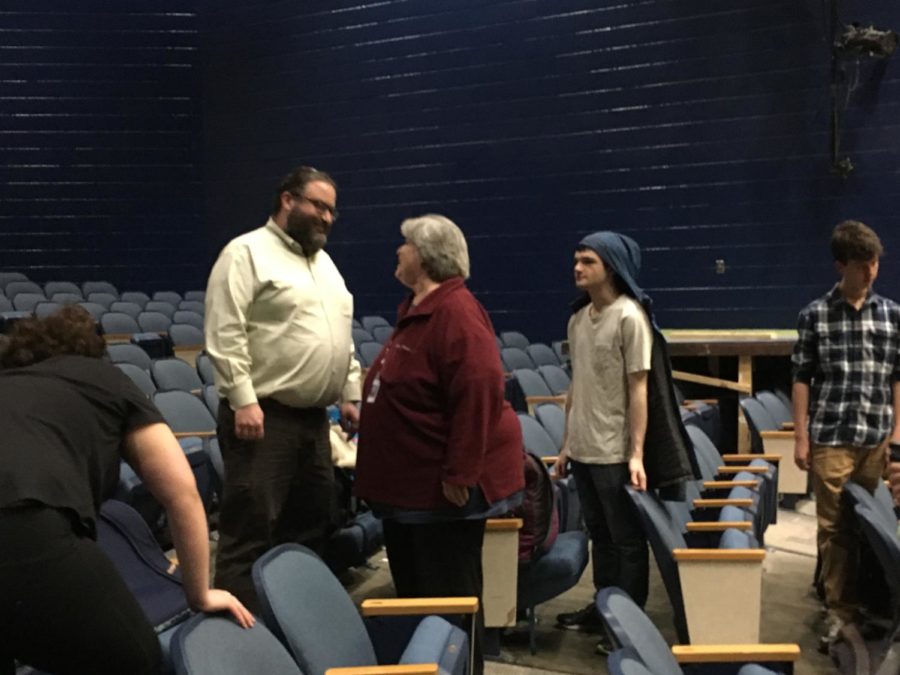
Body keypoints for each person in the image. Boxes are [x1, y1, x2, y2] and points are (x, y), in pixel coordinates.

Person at [0, 307, 253, 675]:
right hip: (24, 520)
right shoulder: (103, 378)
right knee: (137, 660)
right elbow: (181, 492)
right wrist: (199, 593)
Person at [353, 214, 525, 675]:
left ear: (426, 257)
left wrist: (461, 473)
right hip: (410, 493)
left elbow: (480, 391)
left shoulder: (456, 312)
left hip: (438, 494)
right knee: (418, 601)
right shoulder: (418, 309)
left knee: (447, 603)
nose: (397, 252)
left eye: (404, 244)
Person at [204, 165, 361, 613]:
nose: (327, 218)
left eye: (332, 210)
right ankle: (235, 640)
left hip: (313, 421)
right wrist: (243, 400)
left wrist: (349, 392)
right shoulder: (245, 253)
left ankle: (295, 621)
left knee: (312, 521)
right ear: (287, 200)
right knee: (251, 526)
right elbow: (225, 330)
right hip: (262, 417)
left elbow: (340, 333)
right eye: (318, 205)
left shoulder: (325, 265)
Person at [792, 220, 900, 651]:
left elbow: (897, 377)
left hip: (876, 438)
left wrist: (897, 433)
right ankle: (840, 612)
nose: (871, 272)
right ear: (841, 266)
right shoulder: (814, 315)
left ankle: (874, 603)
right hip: (832, 436)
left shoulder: (892, 316)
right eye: (861, 265)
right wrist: (802, 437)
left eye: (874, 263)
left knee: (874, 526)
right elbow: (801, 379)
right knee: (835, 530)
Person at [553, 231, 653, 653]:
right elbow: (578, 384)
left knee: (626, 541)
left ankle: (628, 625)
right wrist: (565, 444)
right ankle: (604, 609)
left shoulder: (629, 316)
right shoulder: (578, 320)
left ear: (609, 267)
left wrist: (637, 453)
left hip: (614, 451)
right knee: (600, 537)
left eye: (588, 261)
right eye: (576, 259)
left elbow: (638, 389)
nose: (578, 267)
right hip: (584, 449)